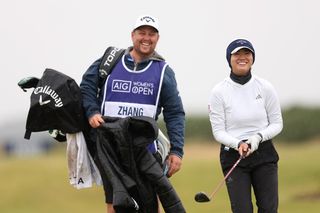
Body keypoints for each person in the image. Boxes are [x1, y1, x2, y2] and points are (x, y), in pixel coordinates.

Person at [80, 15, 185, 213]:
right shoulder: (110, 60)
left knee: (150, 204)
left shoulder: (163, 71)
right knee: (115, 204)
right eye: (142, 33)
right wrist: (92, 112)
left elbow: (175, 112)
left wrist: (176, 150)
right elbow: (87, 86)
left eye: (151, 34)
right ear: (132, 35)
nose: (146, 38)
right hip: (111, 149)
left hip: (145, 149)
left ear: (157, 38)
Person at [208, 39, 283, 213]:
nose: (242, 57)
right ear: (229, 58)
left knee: (268, 209)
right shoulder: (219, 91)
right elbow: (219, 132)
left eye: (247, 53)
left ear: (252, 58)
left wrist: (258, 137)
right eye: (237, 54)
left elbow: (277, 123)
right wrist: (238, 144)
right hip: (233, 155)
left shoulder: (265, 87)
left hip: (264, 153)